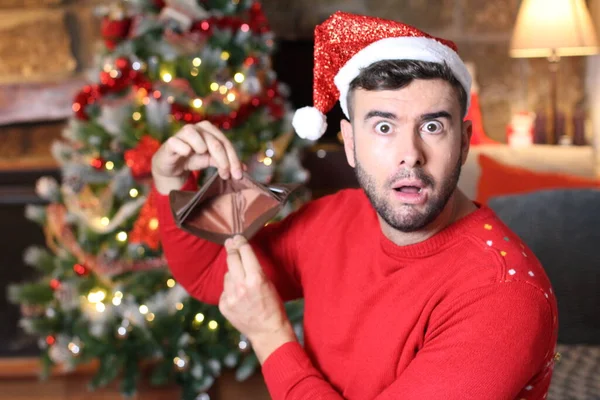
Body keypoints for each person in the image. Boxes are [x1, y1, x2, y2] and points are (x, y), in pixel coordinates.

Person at [151, 11, 558, 400]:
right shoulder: (333, 218)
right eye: (383, 127)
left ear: (464, 141)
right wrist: (170, 178)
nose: (410, 155)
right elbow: (208, 272)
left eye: (432, 126)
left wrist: (268, 334)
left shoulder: (504, 294)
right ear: (349, 142)